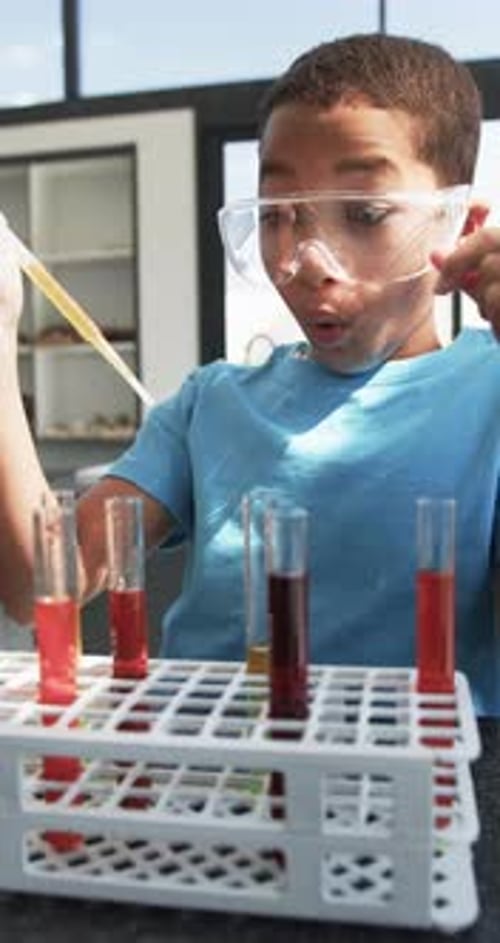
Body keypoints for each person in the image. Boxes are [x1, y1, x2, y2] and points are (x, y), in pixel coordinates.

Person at [1, 33, 500, 715]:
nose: (310, 261)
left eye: (364, 213)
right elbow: (36, 585)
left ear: (460, 225)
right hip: (201, 763)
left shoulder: (489, 396)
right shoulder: (210, 404)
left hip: (419, 770)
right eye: (280, 216)